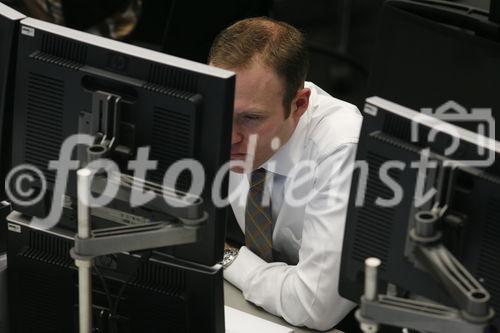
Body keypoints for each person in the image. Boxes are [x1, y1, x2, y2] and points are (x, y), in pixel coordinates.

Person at [209, 17, 362, 331]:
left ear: (299, 104)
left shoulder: (343, 148)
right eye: (220, 108)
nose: (229, 136)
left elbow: (315, 306)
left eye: (250, 118)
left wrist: (226, 257)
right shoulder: (219, 111)